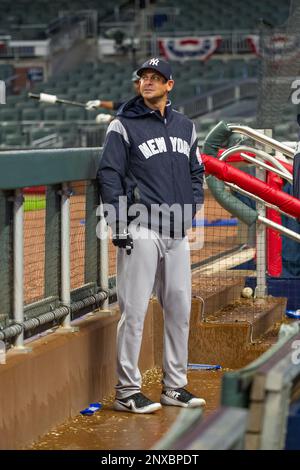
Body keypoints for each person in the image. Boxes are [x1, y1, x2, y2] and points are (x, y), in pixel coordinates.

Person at [97, 57, 205, 414]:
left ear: (169, 85)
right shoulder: (122, 125)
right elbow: (109, 175)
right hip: (140, 227)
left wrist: (190, 210)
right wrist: (118, 223)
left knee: (179, 308)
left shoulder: (185, 126)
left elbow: (196, 173)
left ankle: (174, 387)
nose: (148, 82)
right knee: (134, 311)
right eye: (144, 77)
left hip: (176, 230)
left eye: (156, 78)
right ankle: (127, 391)